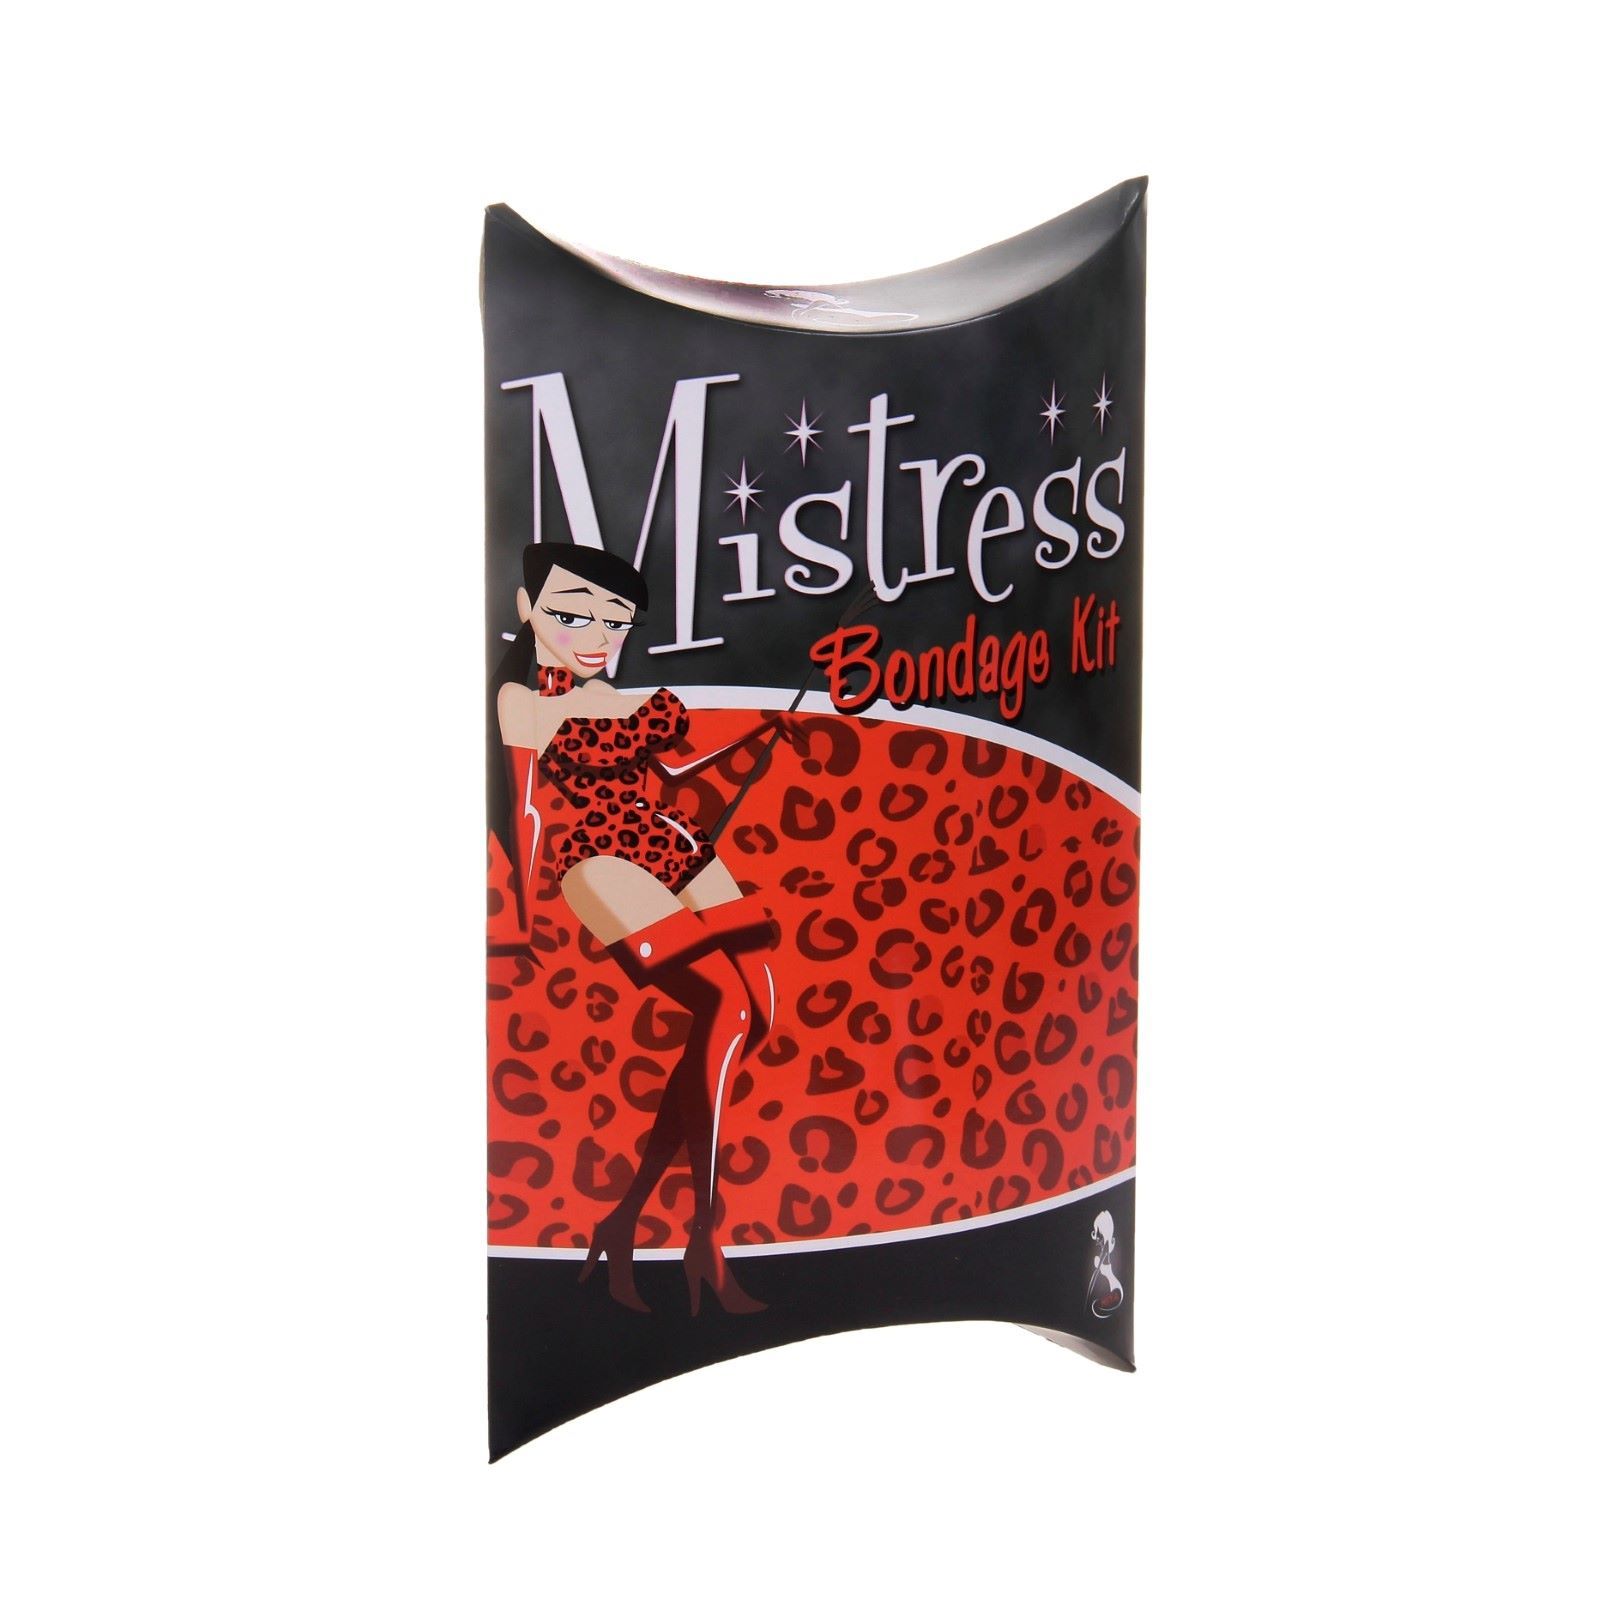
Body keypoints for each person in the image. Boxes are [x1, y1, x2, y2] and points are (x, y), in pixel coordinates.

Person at [490, 541, 800, 1314]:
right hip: (600, 858)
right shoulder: (522, 701)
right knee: (725, 1006)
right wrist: (519, 915)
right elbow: (525, 810)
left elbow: (670, 775)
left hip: (671, 840)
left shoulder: (620, 699)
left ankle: (624, 1218)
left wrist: (754, 741)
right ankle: (705, 1233)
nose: (596, 635)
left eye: (615, 621)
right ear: (527, 609)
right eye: (572, 615)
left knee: (758, 1009)